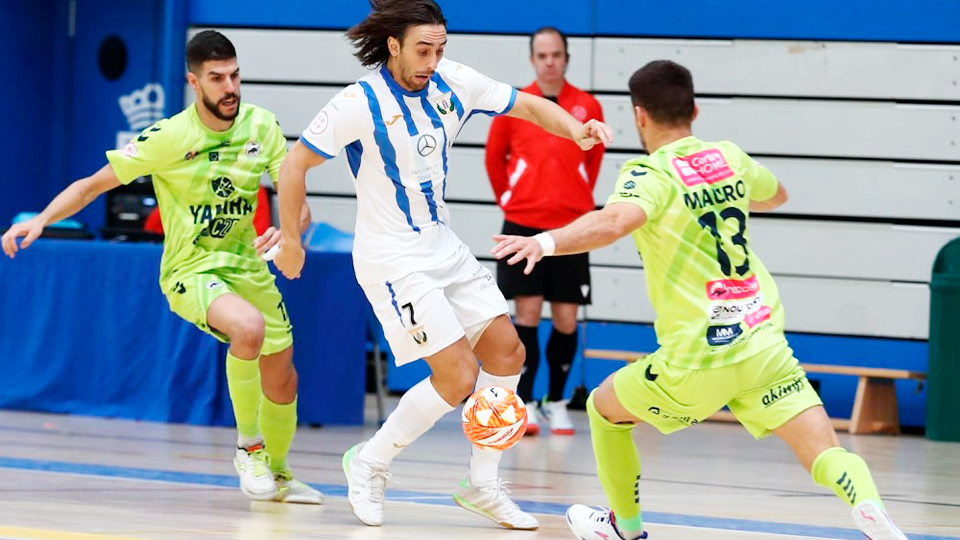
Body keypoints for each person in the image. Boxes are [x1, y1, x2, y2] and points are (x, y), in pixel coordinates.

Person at [492, 60, 909, 540]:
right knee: (825, 451)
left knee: (604, 409)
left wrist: (543, 243)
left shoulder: (651, 174)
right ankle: (870, 508)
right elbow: (776, 196)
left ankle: (624, 528)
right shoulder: (729, 158)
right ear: (695, 110)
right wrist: (719, 193)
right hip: (762, 344)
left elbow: (612, 222)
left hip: (698, 356)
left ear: (639, 116)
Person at [272, 0, 611, 530]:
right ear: (393, 46)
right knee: (456, 377)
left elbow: (527, 106)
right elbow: (294, 165)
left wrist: (576, 128)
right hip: (391, 258)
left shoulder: (453, 80)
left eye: (440, 49)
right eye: (423, 50)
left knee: (507, 351)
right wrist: (292, 240)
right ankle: (370, 461)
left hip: (442, 245)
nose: (433, 60)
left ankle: (481, 484)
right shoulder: (359, 103)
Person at [1, 30, 321, 505]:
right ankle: (249, 448)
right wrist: (42, 219)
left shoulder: (262, 126)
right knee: (247, 329)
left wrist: (290, 232)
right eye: (217, 78)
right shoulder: (169, 136)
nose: (230, 87)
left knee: (283, 378)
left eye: (235, 75)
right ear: (194, 82)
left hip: (248, 266)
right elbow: (92, 185)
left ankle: (278, 474)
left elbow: (297, 201)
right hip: (191, 270)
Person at [485, 26, 604, 436]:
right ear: (533, 59)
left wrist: (573, 199)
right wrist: (513, 199)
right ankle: (527, 402)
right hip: (522, 222)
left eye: (556, 54)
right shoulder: (517, 105)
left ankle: (556, 401)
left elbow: (593, 161)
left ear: (566, 57)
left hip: (572, 226)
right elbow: (494, 160)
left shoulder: (588, 105)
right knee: (528, 314)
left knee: (567, 318)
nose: (550, 61)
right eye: (542, 55)